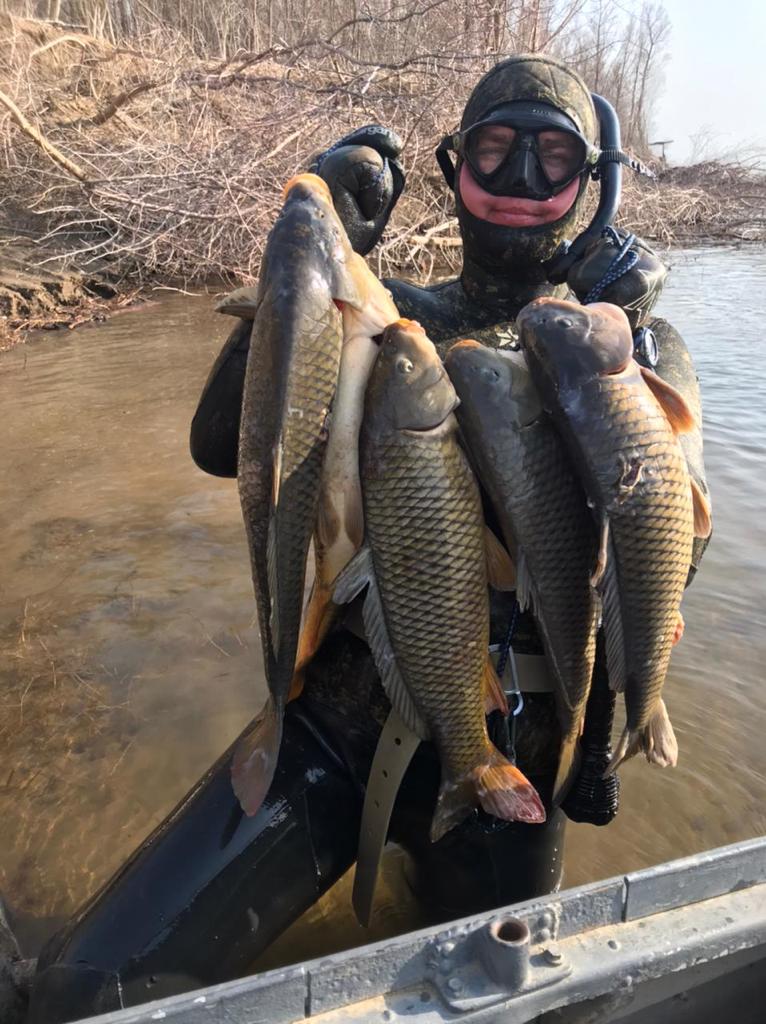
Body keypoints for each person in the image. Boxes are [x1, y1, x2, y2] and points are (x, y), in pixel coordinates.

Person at [27, 54, 709, 1023]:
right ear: (452, 169)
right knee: (86, 989)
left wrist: (621, 349)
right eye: (493, 152)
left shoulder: (639, 345)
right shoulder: (389, 319)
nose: (519, 184)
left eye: (552, 160)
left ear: (590, 188)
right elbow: (224, 444)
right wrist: (301, 251)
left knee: (501, 1006)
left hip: (505, 761)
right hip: (338, 718)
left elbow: (674, 562)